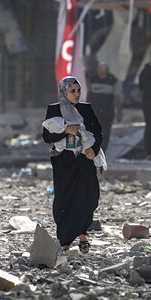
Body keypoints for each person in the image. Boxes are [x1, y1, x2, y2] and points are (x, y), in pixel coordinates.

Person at [42, 76, 102, 253]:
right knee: (65, 199)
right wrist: (65, 130)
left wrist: (95, 149)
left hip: (84, 160)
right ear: (64, 92)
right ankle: (66, 240)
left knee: (88, 197)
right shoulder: (54, 109)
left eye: (78, 90)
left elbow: (98, 132)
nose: (76, 94)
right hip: (64, 162)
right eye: (72, 91)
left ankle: (82, 232)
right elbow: (47, 137)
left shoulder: (86, 109)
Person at [88, 62, 122, 152]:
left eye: (104, 72)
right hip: (94, 110)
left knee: (105, 133)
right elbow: (89, 94)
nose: (102, 74)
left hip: (107, 111)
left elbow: (117, 97)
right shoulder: (92, 79)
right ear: (98, 70)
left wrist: (119, 112)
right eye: (101, 72)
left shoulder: (113, 81)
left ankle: (102, 150)